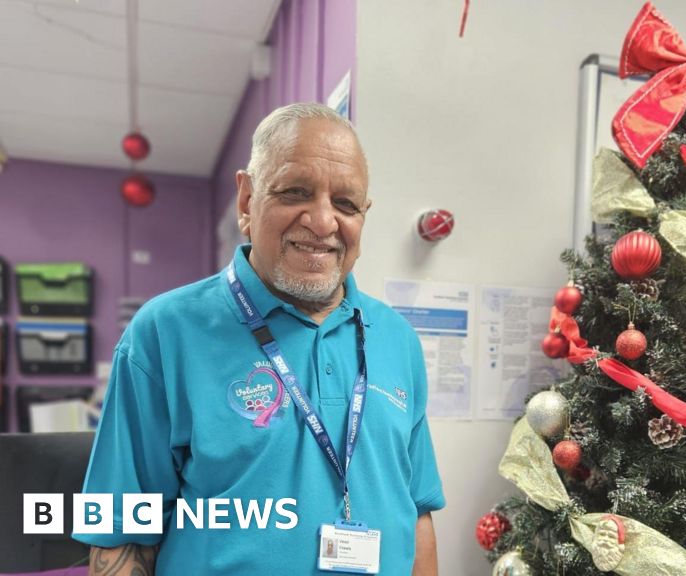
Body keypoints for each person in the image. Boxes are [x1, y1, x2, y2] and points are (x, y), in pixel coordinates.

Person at [73, 103, 445, 575]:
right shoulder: (164, 333)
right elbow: (120, 534)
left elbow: (416, 512)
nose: (324, 222)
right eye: (296, 192)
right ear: (247, 200)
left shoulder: (397, 339)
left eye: (346, 204)